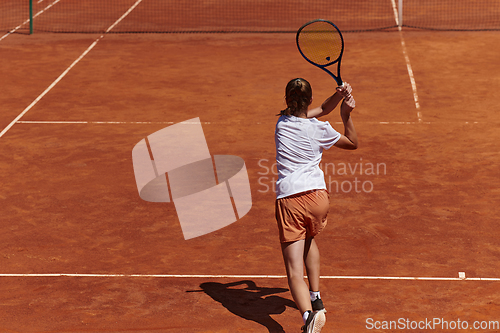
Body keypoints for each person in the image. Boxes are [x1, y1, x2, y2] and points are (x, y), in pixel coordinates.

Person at [274, 78, 357, 333]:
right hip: (318, 200)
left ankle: (309, 317)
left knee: (293, 271)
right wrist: (346, 114)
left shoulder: (282, 123)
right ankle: (316, 297)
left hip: (291, 201)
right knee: (308, 239)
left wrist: (337, 98)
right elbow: (351, 141)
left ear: (287, 100)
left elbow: (319, 108)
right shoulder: (320, 129)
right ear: (309, 100)